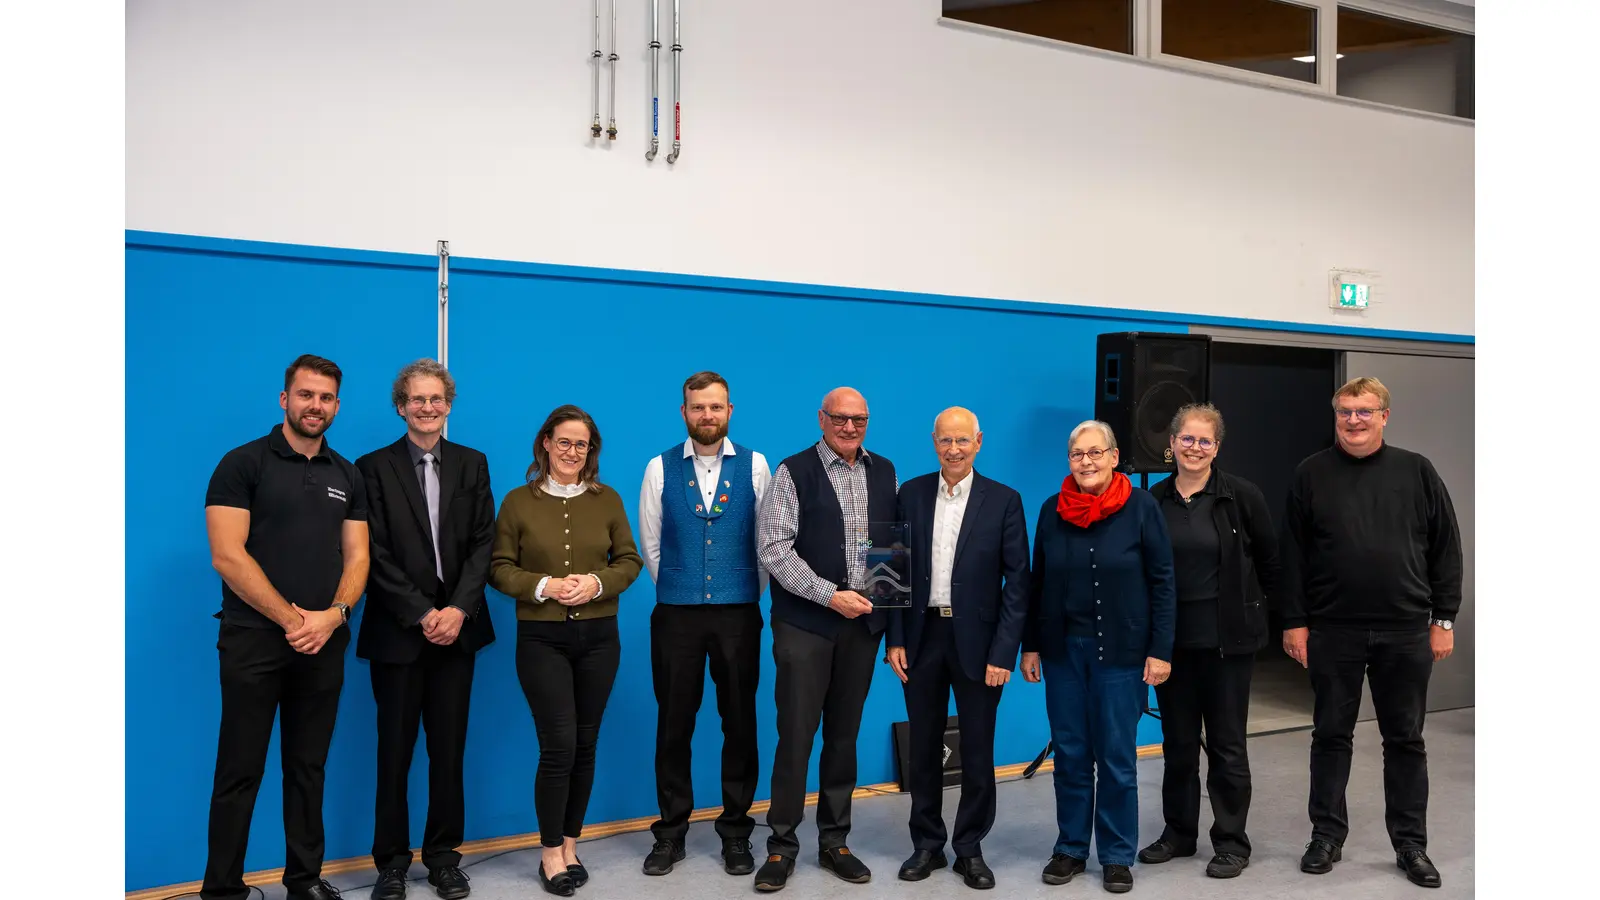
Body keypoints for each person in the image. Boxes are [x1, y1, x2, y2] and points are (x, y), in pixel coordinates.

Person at [1280, 377, 1462, 889]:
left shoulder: (1417, 471)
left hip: (1405, 630)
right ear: (1335, 416)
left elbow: (1446, 548)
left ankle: (1410, 845)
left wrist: (1443, 619)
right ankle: (1325, 836)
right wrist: (1294, 621)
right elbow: (1292, 555)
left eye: (1364, 411)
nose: (1353, 420)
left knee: (1404, 740)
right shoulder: (1311, 473)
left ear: (1384, 416)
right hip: (1332, 629)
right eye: (1344, 411)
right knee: (1329, 736)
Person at [200, 354, 371, 900]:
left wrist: (334, 617)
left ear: (337, 406)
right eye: (305, 394)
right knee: (239, 770)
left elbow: (358, 557)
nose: (315, 405)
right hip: (253, 642)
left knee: (307, 768)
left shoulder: (347, 474)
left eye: (326, 397)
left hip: (323, 644)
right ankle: (222, 890)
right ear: (285, 399)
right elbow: (227, 556)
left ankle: (304, 880)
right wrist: (295, 620)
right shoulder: (242, 464)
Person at [489, 405, 644, 897]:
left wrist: (597, 582)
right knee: (558, 745)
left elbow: (629, 560)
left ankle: (572, 844)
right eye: (564, 442)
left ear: (590, 450)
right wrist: (545, 586)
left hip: (600, 638)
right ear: (546, 444)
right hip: (542, 639)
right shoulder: (518, 502)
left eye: (582, 444)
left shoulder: (607, 499)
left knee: (586, 742)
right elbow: (499, 568)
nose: (572, 451)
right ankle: (550, 851)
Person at [356, 359, 496, 900]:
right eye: (417, 399)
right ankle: (391, 864)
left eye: (437, 399)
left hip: (458, 632)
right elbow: (372, 551)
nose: (428, 407)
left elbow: (483, 543)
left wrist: (457, 609)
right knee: (393, 755)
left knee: (449, 752)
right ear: (401, 406)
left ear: (448, 405)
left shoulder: (472, 464)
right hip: (398, 633)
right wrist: (420, 612)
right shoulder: (371, 468)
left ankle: (443, 859)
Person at [1021, 419, 1175, 895]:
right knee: (1069, 754)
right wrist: (1031, 644)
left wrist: (1160, 650)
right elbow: (1037, 582)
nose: (1085, 462)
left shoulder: (1142, 507)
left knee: (1115, 759)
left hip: (1122, 655)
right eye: (1077, 454)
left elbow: (1163, 582)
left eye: (1094, 452)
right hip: (1063, 653)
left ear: (1113, 457)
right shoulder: (1051, 510)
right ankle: (1070, 848)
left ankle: (1116, 855)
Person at [753, 387, 898, 892]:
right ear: (821, 419)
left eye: (859, 419)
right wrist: (828, 595)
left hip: (862, 628)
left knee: (843, 737)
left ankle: (835, 841)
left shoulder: (884, 471)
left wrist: (884, 612)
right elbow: (773, 548)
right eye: (840, 418)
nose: (849, 427)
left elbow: (889, 548)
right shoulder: (793, 472)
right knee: (796, 736)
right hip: (805, 626)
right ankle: (781, 845)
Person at [887, 407, 1030, 891]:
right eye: (945, 440)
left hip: (981, 644)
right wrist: (894, 638)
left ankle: (969, 848)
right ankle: (927, 844)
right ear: (934, 442)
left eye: (962, 441)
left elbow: (1019, 584)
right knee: (924, 747)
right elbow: (887, 569)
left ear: (978, 442)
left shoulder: (1005, 500)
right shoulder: (909, 494)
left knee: (978, 749)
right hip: (921, 637)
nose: (953, 449)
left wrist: (1004, 652)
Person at [636, 371, 772, 877]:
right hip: (676, 616)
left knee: (739, 722)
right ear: (684, 412)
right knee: (674, 724)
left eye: (716, 407)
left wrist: (740, 591)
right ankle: (670, 833)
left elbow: (766, 543)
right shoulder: (659, 467)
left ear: (729, 411)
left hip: (739, 614)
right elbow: (651, 544)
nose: (707, 415)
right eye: (698, 407)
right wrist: (683, 586)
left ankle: (736, 832)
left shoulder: (758, 465)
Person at [1138, 403, 1279, 880]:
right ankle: (1179, 834)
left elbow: (1271, 563)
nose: (1195, 448)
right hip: (1171, 647)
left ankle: (1232, 841)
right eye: (1187, 439)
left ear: (1217, 447)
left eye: (1205, 441)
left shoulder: (1242, 496)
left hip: (1227, 645)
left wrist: (1275, 622)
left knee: (1226, 746)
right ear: (1171, 443)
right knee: (1177, 745)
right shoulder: (1152, 501)